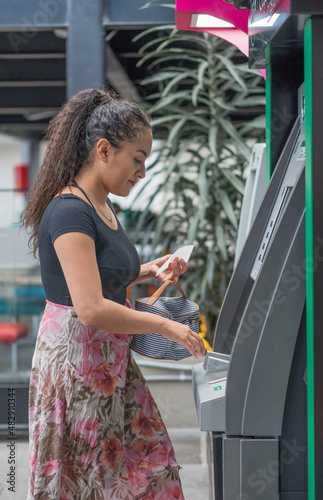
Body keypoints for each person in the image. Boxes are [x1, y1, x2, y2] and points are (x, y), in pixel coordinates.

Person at [21, 88, 205, 500]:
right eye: (137, 160)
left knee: (145, 468)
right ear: (104, 149)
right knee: (94, 480)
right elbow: (89, 307)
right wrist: (168, 326)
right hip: (78, 368)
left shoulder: (101, 204)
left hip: (108, 362)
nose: (141, 173)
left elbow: (97, 277)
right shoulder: (70, 211)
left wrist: (148, 269)